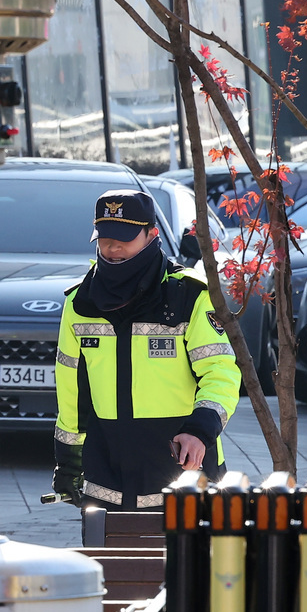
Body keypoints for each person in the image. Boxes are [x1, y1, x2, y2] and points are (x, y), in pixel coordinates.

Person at [51, 189, 241, 510]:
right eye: (105, 238)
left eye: (124, 238)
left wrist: (199, 431)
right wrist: (68, 460)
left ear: (152, 234)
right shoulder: (79, 303)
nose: (112, 248)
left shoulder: (190, 296)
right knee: (110, 559)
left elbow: (219, 372)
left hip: (182, 465)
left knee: (183, 561)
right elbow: (72, 389)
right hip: (105, 472)